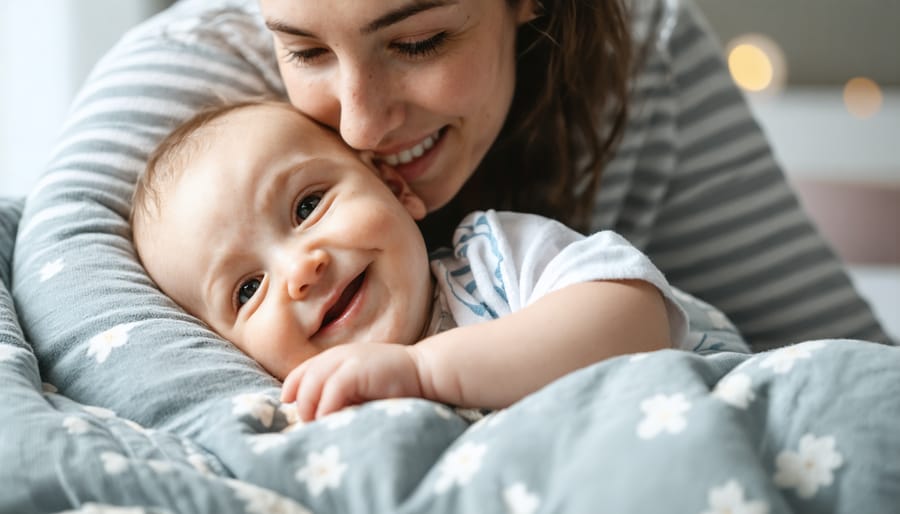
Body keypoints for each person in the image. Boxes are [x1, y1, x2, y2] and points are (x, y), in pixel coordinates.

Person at [130, 99, 704, 421]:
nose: (300, 271)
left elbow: (636, 319)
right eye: (248, 289)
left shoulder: (492, 263)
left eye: (308, 205)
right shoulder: (308, 414)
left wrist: (424, 373)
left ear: (391, 186)